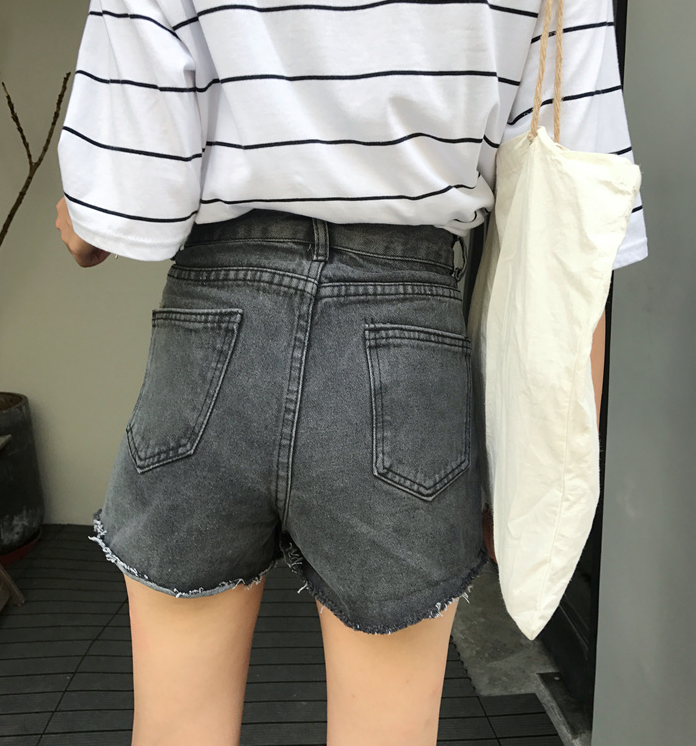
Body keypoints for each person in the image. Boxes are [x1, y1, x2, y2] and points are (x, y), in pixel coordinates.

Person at [55, 1, 647, 744]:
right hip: (405, 342)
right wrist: (545, 480)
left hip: (214, 332)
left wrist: (83, 220)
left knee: (177, 727)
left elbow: (118, 213)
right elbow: (578, 235)